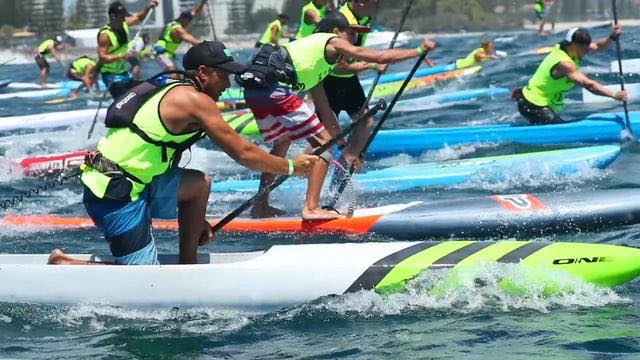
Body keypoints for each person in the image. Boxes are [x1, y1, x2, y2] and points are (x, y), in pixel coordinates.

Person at [48, 41, 318, 266]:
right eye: (222, 75)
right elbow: (243, 152)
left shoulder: (175, 88)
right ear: (202, 72)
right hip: (114, 194)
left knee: (199, 185)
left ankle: (187, 264)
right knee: (144, 284)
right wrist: (292, 167)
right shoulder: (193, 100)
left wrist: (198, 221)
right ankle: (65, 264)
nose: (227, 82)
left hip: (137, 183)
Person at [239, 12, 436, 219]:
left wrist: (346, 150)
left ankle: (260, 206)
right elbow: (377, 57)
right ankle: (312, 208)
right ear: (336, 32)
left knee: (282, 143)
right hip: (275, 89)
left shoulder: (312, 59)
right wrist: (418, 50)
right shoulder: (330, 41)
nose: (355, 40)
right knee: (323, 144)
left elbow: (326, 112)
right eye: (351, 34)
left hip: (255, 91)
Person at [513, 26, 628, 125]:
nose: (586, 51)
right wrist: (613, 94)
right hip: (533, 105)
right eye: (584, 48)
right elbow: (588, 84)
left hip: (536, 103)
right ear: (572, 45)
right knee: (558, 130)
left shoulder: (569, 49)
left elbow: (598, 46)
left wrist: (611, 37)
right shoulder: (564, 63)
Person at [98, 0, 158, 99]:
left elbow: (139, 17)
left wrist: (148, 7)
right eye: (121, 16)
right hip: (110, 75)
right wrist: (121, 56)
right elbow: (102, 57)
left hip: (123, 71)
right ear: (113, 16)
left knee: (136, 98)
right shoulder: (105, 35)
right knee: (123, 101)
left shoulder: (124, 23)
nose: (124, 19)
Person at [154, 0, 207, 73]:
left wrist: (203, 2)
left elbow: (196, 12)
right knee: (172, 71)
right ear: (183, 19)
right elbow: (192, 41)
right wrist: (208, 45)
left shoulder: (175, 22)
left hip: (168, 54)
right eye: (188, 21)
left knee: (177, 74)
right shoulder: (178, 29)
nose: (189, 23)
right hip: (162, 53)